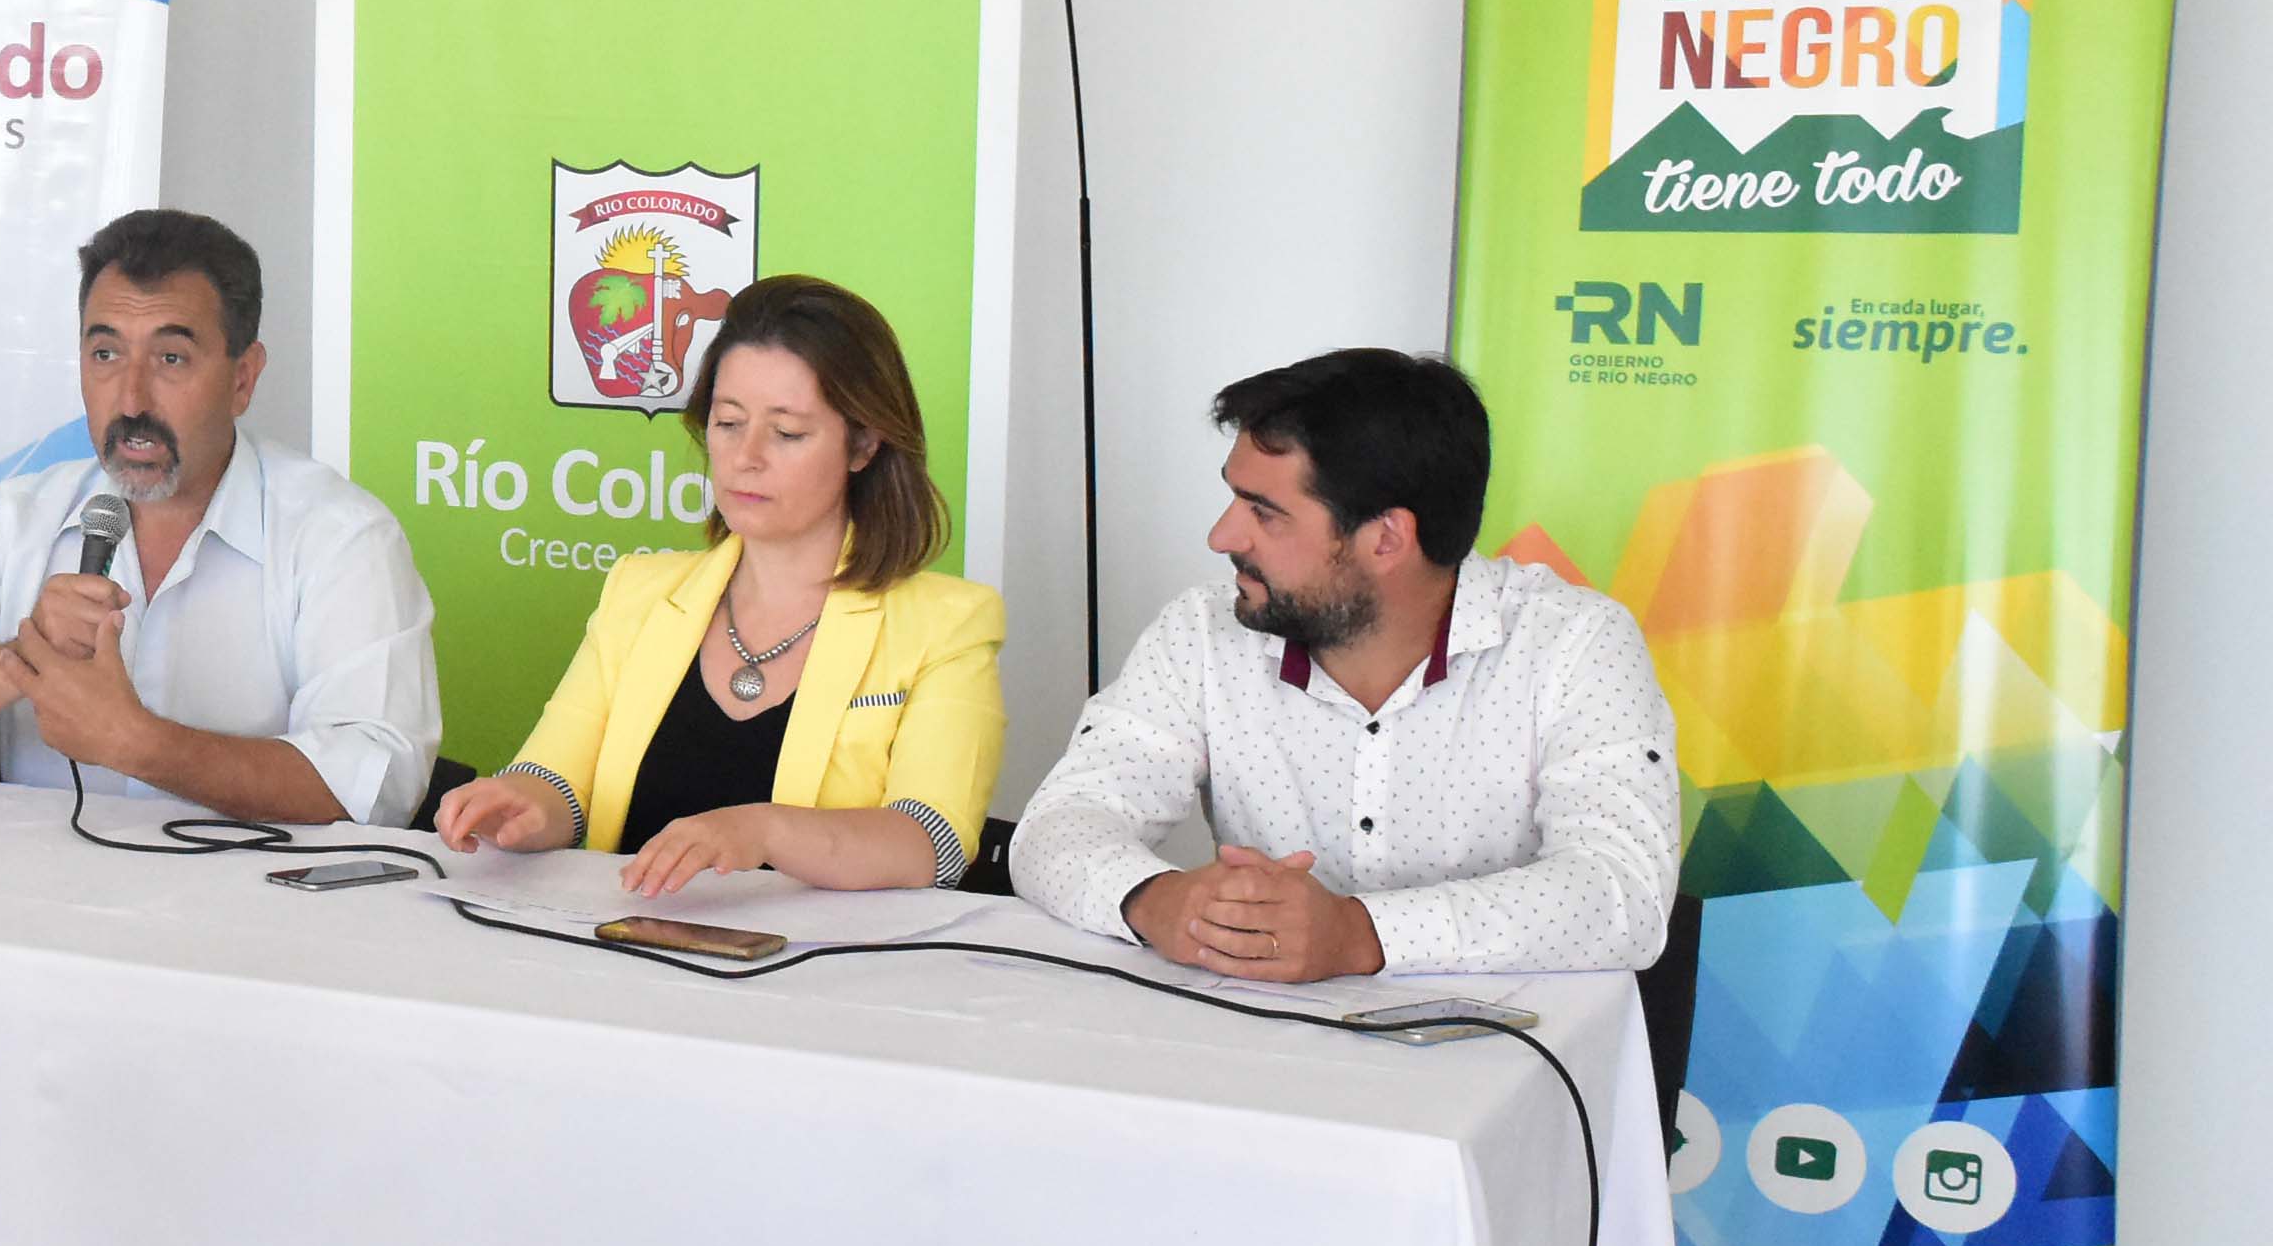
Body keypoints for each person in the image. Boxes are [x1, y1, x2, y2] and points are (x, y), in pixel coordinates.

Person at [1007, 348, 1680, 984]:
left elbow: (1624, 892)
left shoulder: (1575, 643)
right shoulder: (1203, 632)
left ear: (1386, 539)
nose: (1222, 536)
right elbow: (1060, 823)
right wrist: (1155, 899)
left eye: (1265, 513)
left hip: (1504, 1048)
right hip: (1260, 1043)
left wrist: (1362, 934)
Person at [0, 208, 439, 825]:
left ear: (243, 380)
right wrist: (22, 659)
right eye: (106, 354)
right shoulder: (18, 520)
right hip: (43, 889)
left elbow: (377, 787)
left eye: (171, 359)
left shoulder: (340, 535)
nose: (132, 400)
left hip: (253, 892)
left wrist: (137, 743)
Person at [436, 276, 1007, 894]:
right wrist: (519, 803)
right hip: (620, 939)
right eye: (728, 422)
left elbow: (933, 844)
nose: (746, 456)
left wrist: (761, 831)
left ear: (864, 444)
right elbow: (557, 780)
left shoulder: (949, 622)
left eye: (787, 433)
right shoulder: (638, 591)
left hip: (823, 955)